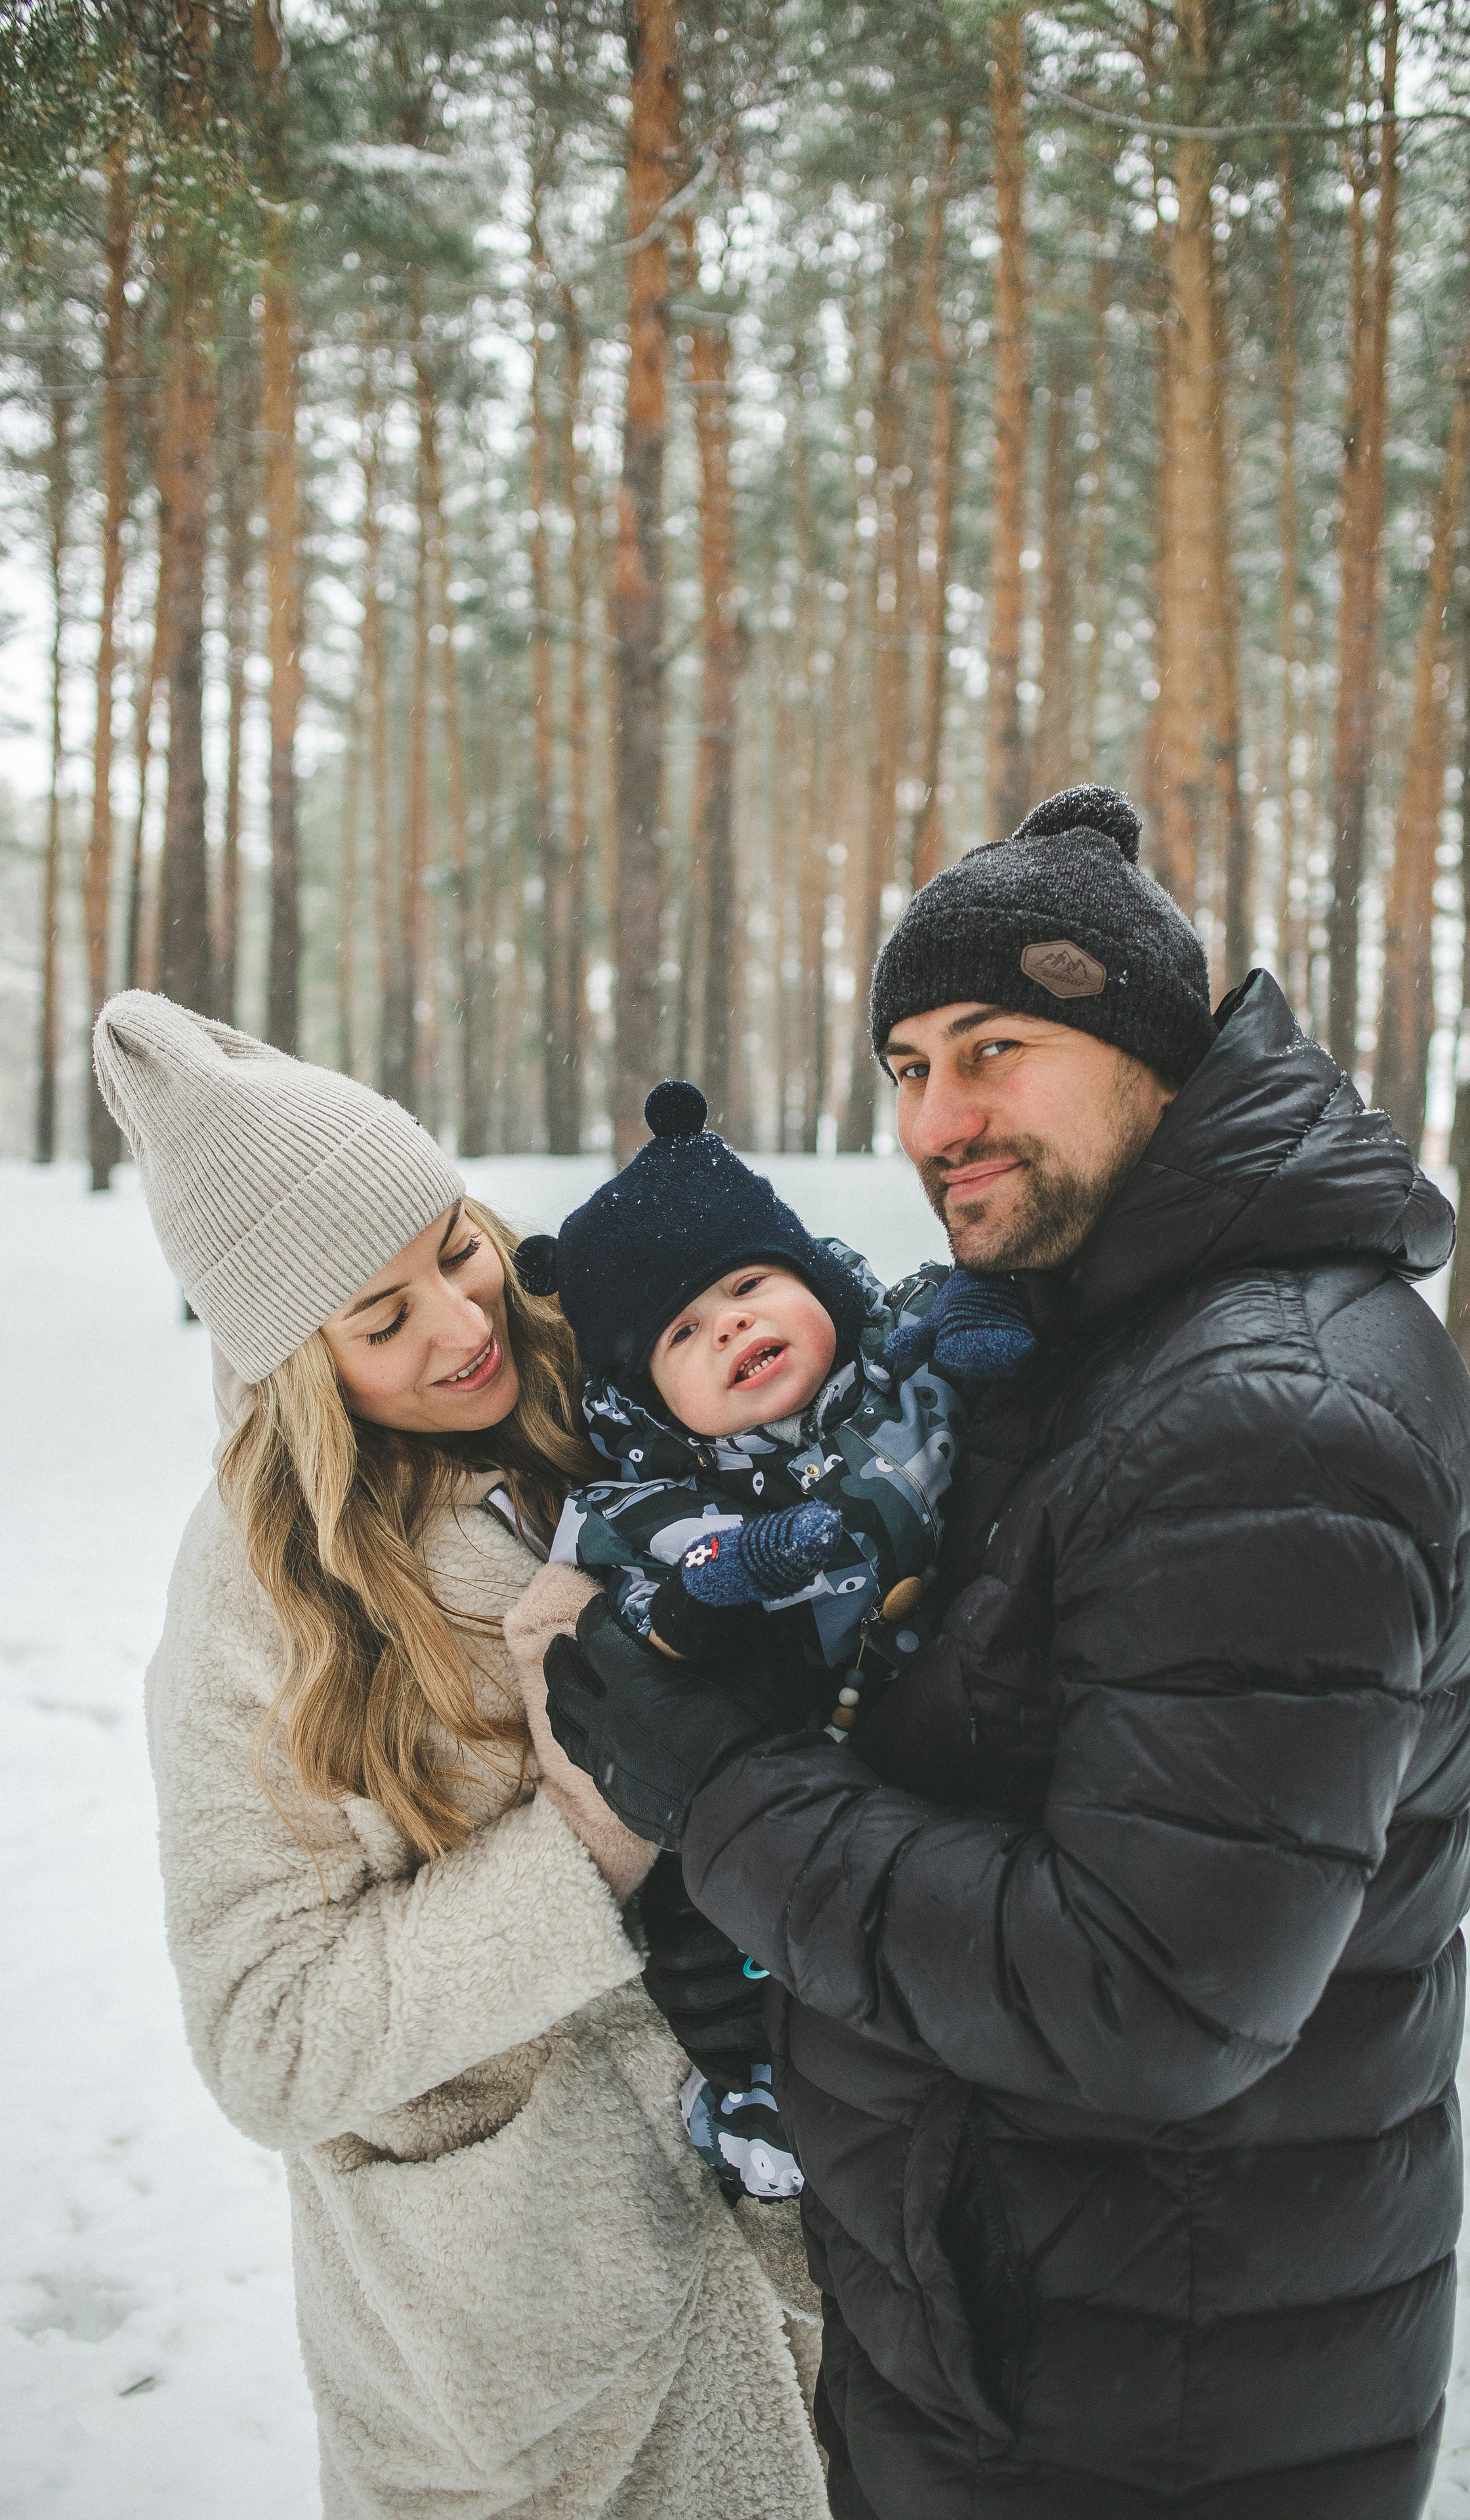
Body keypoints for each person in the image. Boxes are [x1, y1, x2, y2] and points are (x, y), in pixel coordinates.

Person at [535, 786, 1470, 2519]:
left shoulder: (1270, 1413)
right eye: (907, 1065)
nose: (936, 1118)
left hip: (1147, 2421)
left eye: (994, 1048)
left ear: (1147, 1043)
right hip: (1048, 2344)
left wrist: (720, 1786)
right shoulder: (1093, 1335)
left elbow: (1149, 1991)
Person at [93, 991, 826, 2520]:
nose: (462, 1320)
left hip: (806, 2260)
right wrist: (592, 1841)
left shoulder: (606, 1389)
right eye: (382, 1319)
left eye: (451, 1245)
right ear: (297, 1364)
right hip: (523, 2361)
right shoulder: (257, 1602)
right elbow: (266, 2035)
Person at [514, 1075, 1035, 2204]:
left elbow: (954, 1310)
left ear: (812, 1279)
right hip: (790, 1773)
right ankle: (750, 2083)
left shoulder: (897, 1362)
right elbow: (626, 1632)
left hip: (945, 1746)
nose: (735, 1325)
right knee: (727, 1932)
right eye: (685, 1334)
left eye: (752, 1285)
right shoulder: (654, 1499)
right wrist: (722, 1586)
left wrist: (992, 1331)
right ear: (650, 1397)